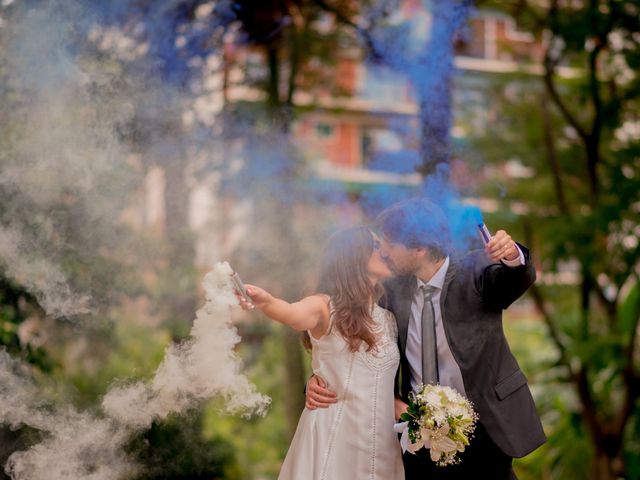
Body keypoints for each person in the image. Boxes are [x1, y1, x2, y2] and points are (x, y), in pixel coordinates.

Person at [306, 198, 546, 480]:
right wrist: (319, 380)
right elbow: (350, 339)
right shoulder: (390, 291)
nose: (382, 252)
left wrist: (512, 255)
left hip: (485, 429)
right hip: (417, 434)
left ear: (419, 249)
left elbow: (516, 278)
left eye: (389, 244)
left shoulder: (475, 273)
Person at [237, 226, 404, 480]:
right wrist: (265, 301)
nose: (385, 252)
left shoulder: (389, 318)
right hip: (335, 439)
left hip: (381, 447)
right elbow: (293, 314)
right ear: (354, 256)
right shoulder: (325, 305)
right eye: (377, 246)